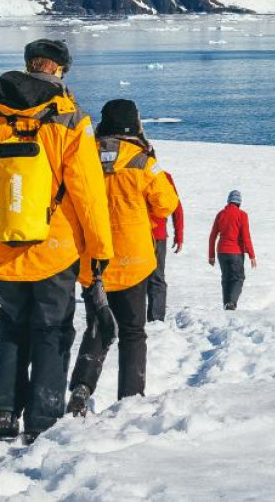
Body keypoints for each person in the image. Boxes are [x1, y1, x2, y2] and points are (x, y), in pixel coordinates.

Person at [0, 39, 113, 444]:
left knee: (11, 325)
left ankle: (5, 410)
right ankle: (42, 419)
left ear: (29, 66)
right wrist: (98, 251)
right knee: (53, 330)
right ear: (60, 70)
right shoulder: (70, 119)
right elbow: (88, 195)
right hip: (54, 250)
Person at [67, 100, 179, 416]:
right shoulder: (142, 161)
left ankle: (81, 387)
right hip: (133, 262)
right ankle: (129, 400)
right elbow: (166, 204)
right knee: (132, 332)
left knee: (97, 328)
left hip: (93, 262)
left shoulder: (83, 155)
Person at [147, 172, 184, 322]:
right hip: (157, 235)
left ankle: (133, 320)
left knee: (133, 279)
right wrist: (179, 234)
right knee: (156, 277)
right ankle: (156, 321)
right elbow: (176, 206)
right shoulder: (163, 176)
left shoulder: (126, 171)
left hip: (134, 234)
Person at [209, 191, 256, 310]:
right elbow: (246, 237)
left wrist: (211, 255)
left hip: (221, 252)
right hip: (236, 252)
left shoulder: (221, 214)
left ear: (228, 200)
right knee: (238, 278)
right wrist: (252, 255)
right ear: (239, 202)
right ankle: (231, 303)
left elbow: (213, 236)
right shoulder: (242, 215)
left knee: (226, 278)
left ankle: (226, 303)